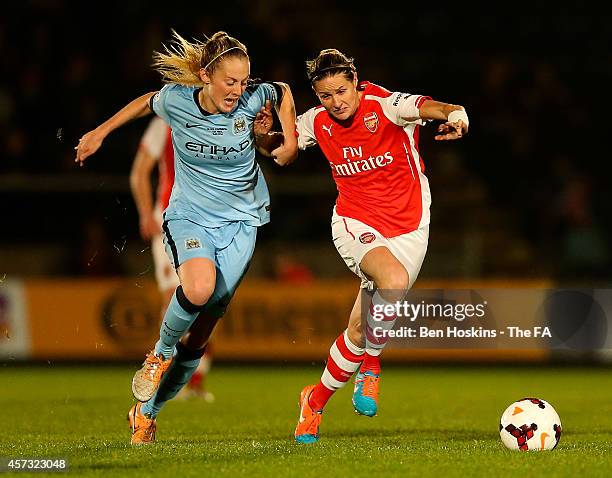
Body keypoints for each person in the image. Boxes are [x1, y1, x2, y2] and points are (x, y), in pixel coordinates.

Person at [75, 30, 298, 445]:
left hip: (242, 222)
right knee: (197, 289)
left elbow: (283, 153)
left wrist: (271, 134)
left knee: (199, 337)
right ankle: (158, 355)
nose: (238, 90)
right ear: (204, 76)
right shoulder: (178, 100)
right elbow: (145, 102)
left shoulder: (258, 99)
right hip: (190, 216)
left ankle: (146, 413)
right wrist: (100, 133)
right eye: (229, 82)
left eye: (243, 81)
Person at [288, 49, 469, 443]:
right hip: (356, 222)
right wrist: (264, 131)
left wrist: (456, 113)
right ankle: (371, 369)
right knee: (392, 279)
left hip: (409, 227)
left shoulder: (386, 105)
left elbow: (430, 106)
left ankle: (313, 403)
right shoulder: (316, 122)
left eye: (342, 90)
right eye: (325, 96)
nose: (336, 102)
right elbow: (282, 148)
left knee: (357, 329)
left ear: (356, 81)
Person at [130, 117, 214, 402]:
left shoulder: (216, 119)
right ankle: (162, 375)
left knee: (208, 299)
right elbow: (139, 172)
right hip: (170, 219)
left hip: (208, 221)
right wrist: (144, 212)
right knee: (174, 298)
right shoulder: (164, 122)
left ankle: (195, 380)